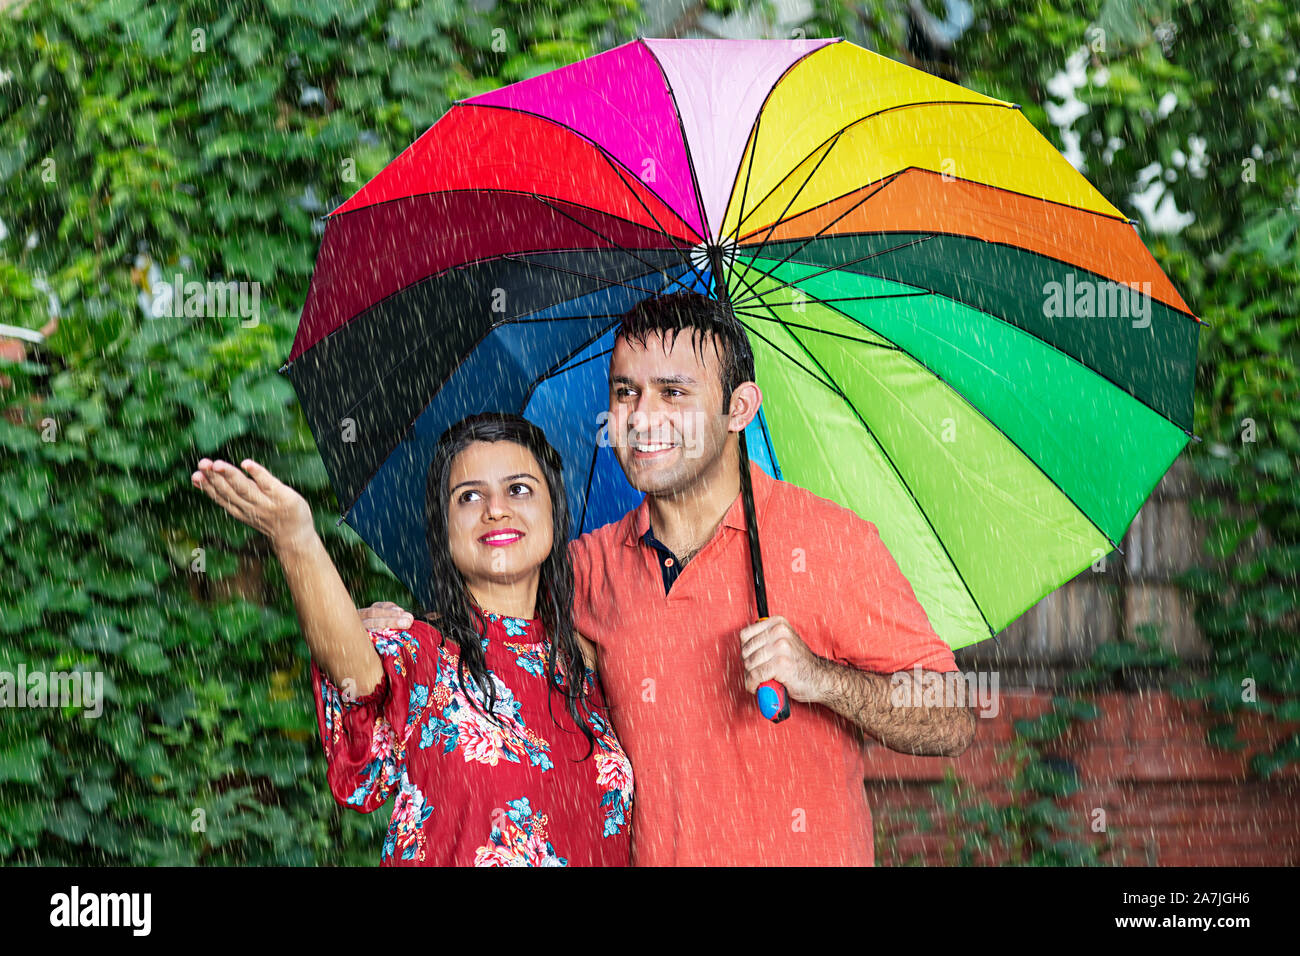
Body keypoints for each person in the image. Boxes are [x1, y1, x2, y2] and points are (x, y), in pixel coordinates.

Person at [363, 292, 974, 866]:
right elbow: (497, 653)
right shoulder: (583, 568)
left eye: (673, 392)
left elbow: (952, 717)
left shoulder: (833, 542)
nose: (641, 416)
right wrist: (397, 634)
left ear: (740, 408)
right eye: (626, 391)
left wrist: (821, 679)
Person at [191, 412, 632, 866]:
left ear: (556, 511)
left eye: (518, 489)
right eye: (469, 496)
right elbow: (354, 673)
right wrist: (296, 539)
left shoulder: (591, 658)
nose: (495, 509)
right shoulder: (421, 649)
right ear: (444, 528)